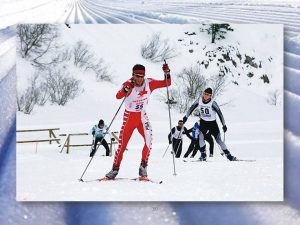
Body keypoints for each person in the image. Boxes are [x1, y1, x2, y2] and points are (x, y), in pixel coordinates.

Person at [104, 63, 171, 180]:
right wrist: (126, 89)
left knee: (149, 141)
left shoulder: (149, 83)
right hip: (129, 117)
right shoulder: (128, 84)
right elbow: (118, 96)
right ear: (133, 75)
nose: (140, 78)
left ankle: (143, 166)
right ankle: (115, 169)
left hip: (142, 116)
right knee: (122, 146)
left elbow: (167, 83)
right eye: (137, 76)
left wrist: (167, 73)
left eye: (142, 76)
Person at [182, 87, 237, 161]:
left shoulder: (213, 103)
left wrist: (224, 125)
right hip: (203, 122)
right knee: (200, 138)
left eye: (207, 95)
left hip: (212, 124)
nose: (205, 96)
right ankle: (203, 155)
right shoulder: (199, 100)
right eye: (204, 94)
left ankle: (229, 156)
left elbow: (220, 114)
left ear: (211, 96)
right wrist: (186, 117)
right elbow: (191, 108)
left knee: (218, 140)